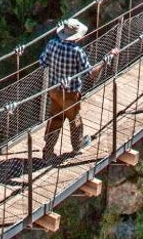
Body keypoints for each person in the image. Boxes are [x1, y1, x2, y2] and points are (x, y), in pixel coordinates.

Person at [38, 17, 114, 162]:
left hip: (54, 91)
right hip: (71, 94)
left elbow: (42, 62)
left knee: (55, 119)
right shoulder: (77, 52)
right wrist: (106, 59)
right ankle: (77, 146)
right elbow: (91, 74)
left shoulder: (52, 44)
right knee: (75, 120)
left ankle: (47, 153)